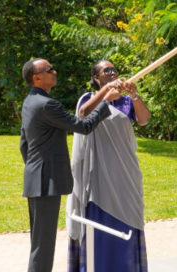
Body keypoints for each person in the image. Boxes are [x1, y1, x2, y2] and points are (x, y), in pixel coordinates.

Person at [20, 58, 120, 272]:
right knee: (43, 246)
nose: (54, 71)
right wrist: (106, 102)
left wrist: (34, 168)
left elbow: (24, 143)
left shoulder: (30, 101)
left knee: (39, 243)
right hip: (46, 182)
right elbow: (83, 126)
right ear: (37, 78)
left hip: (36, 179)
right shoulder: (47, 105)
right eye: (49, 69)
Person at [67, 60, 151, 272]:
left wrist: (134, 95)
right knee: (100, 222)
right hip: (99, 174)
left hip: (126, 172)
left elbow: (144, 120)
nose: (113, 72)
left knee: (131, 216)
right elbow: (83, 114)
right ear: (97, 78)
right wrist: (105, 95)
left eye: (114, 69)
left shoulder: (125, 101)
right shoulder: (88, 99)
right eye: (107, 70)